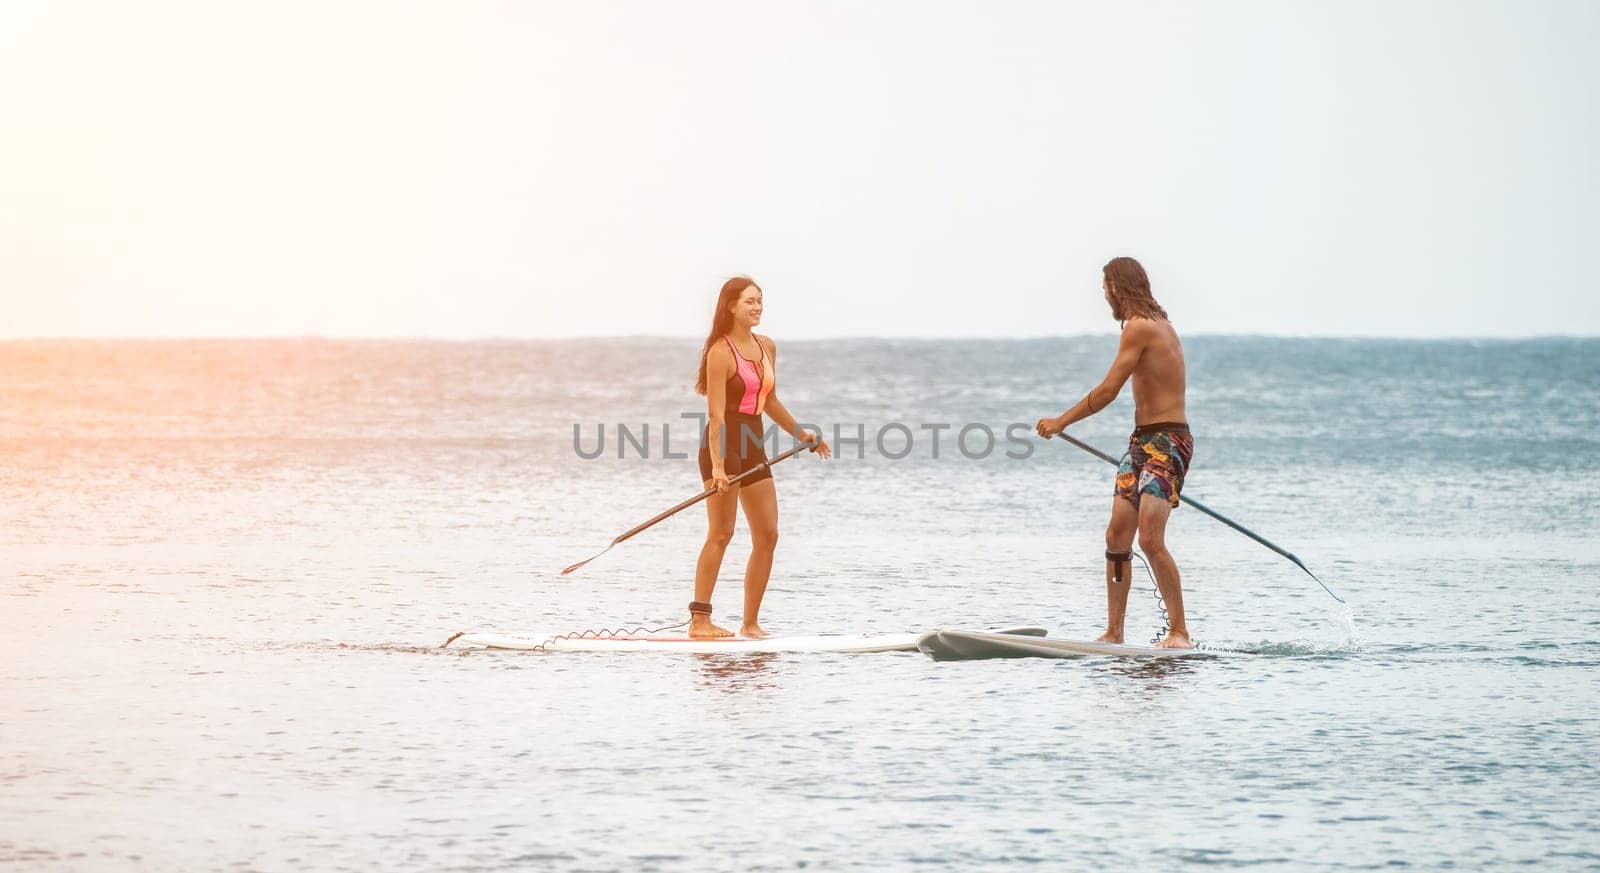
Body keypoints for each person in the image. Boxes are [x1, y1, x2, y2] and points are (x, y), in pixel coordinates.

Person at [1036, 257, 1195, 648]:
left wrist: (1061, 422)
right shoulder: (1148, 324)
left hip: (1167, 444)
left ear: (1118, 287)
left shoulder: (1142, 328)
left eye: (1106, 287)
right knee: (1117, 535)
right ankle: (1114, 631)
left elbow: (1108, 391)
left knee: (1150, 540)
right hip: (1141, 443)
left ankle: (1179, 632)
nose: (1103, 294)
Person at [691, 277, 831, 639]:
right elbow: (717, 417)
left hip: (754, 444)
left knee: (768, 534)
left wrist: (802, 433)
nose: (757, 307)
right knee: (722, 533)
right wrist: (719, 468)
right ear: (731, 307)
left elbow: (769, 401)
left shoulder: (767, 347)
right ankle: (699, 621)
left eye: (760, 301)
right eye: (750, 302)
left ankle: (750, 624)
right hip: (723, 447)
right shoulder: (719, 353)